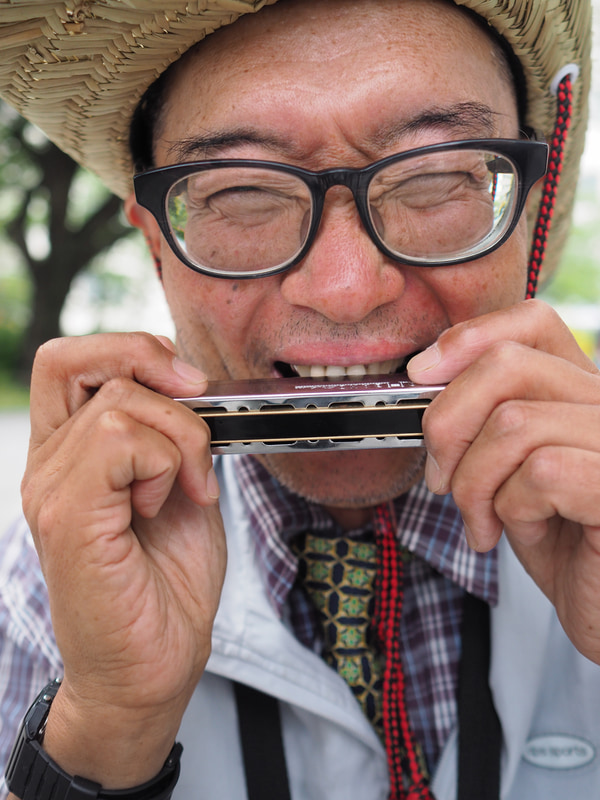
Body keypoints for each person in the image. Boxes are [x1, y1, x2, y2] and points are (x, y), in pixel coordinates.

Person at [0, 0, 598, 798]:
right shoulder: (40, 584)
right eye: (242, 193)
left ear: (523, 209)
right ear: (156, 242)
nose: (344, 291)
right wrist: (107, 723)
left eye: (434, 177)